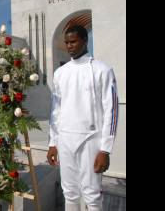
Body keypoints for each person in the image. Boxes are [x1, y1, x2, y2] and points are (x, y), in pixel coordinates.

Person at [47, 25, 119, 211]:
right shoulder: (60, 73)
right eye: (67, 43)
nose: (69, 46)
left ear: (85, 40)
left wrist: (105, 149)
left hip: (90, 139)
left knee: (92, 195)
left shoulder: (102, 70)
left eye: (73, 41)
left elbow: (111, 109)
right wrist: (52, 143)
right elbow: (55, 110)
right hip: (65, 139)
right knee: (69, 192)